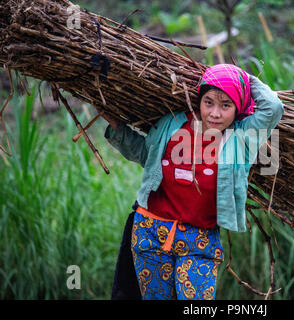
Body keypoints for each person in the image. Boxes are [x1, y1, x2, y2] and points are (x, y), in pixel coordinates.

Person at [99, 64, 284, 300]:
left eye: (225, 105)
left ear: (237, 108)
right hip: (149, 233)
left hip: (199, 241)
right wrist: (117, 128)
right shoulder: (173, 123)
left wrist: (239, 76)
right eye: (209, 102)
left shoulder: (242, 138)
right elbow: (147, 156)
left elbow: (273, 107)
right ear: (199, 100)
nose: (215, 113)